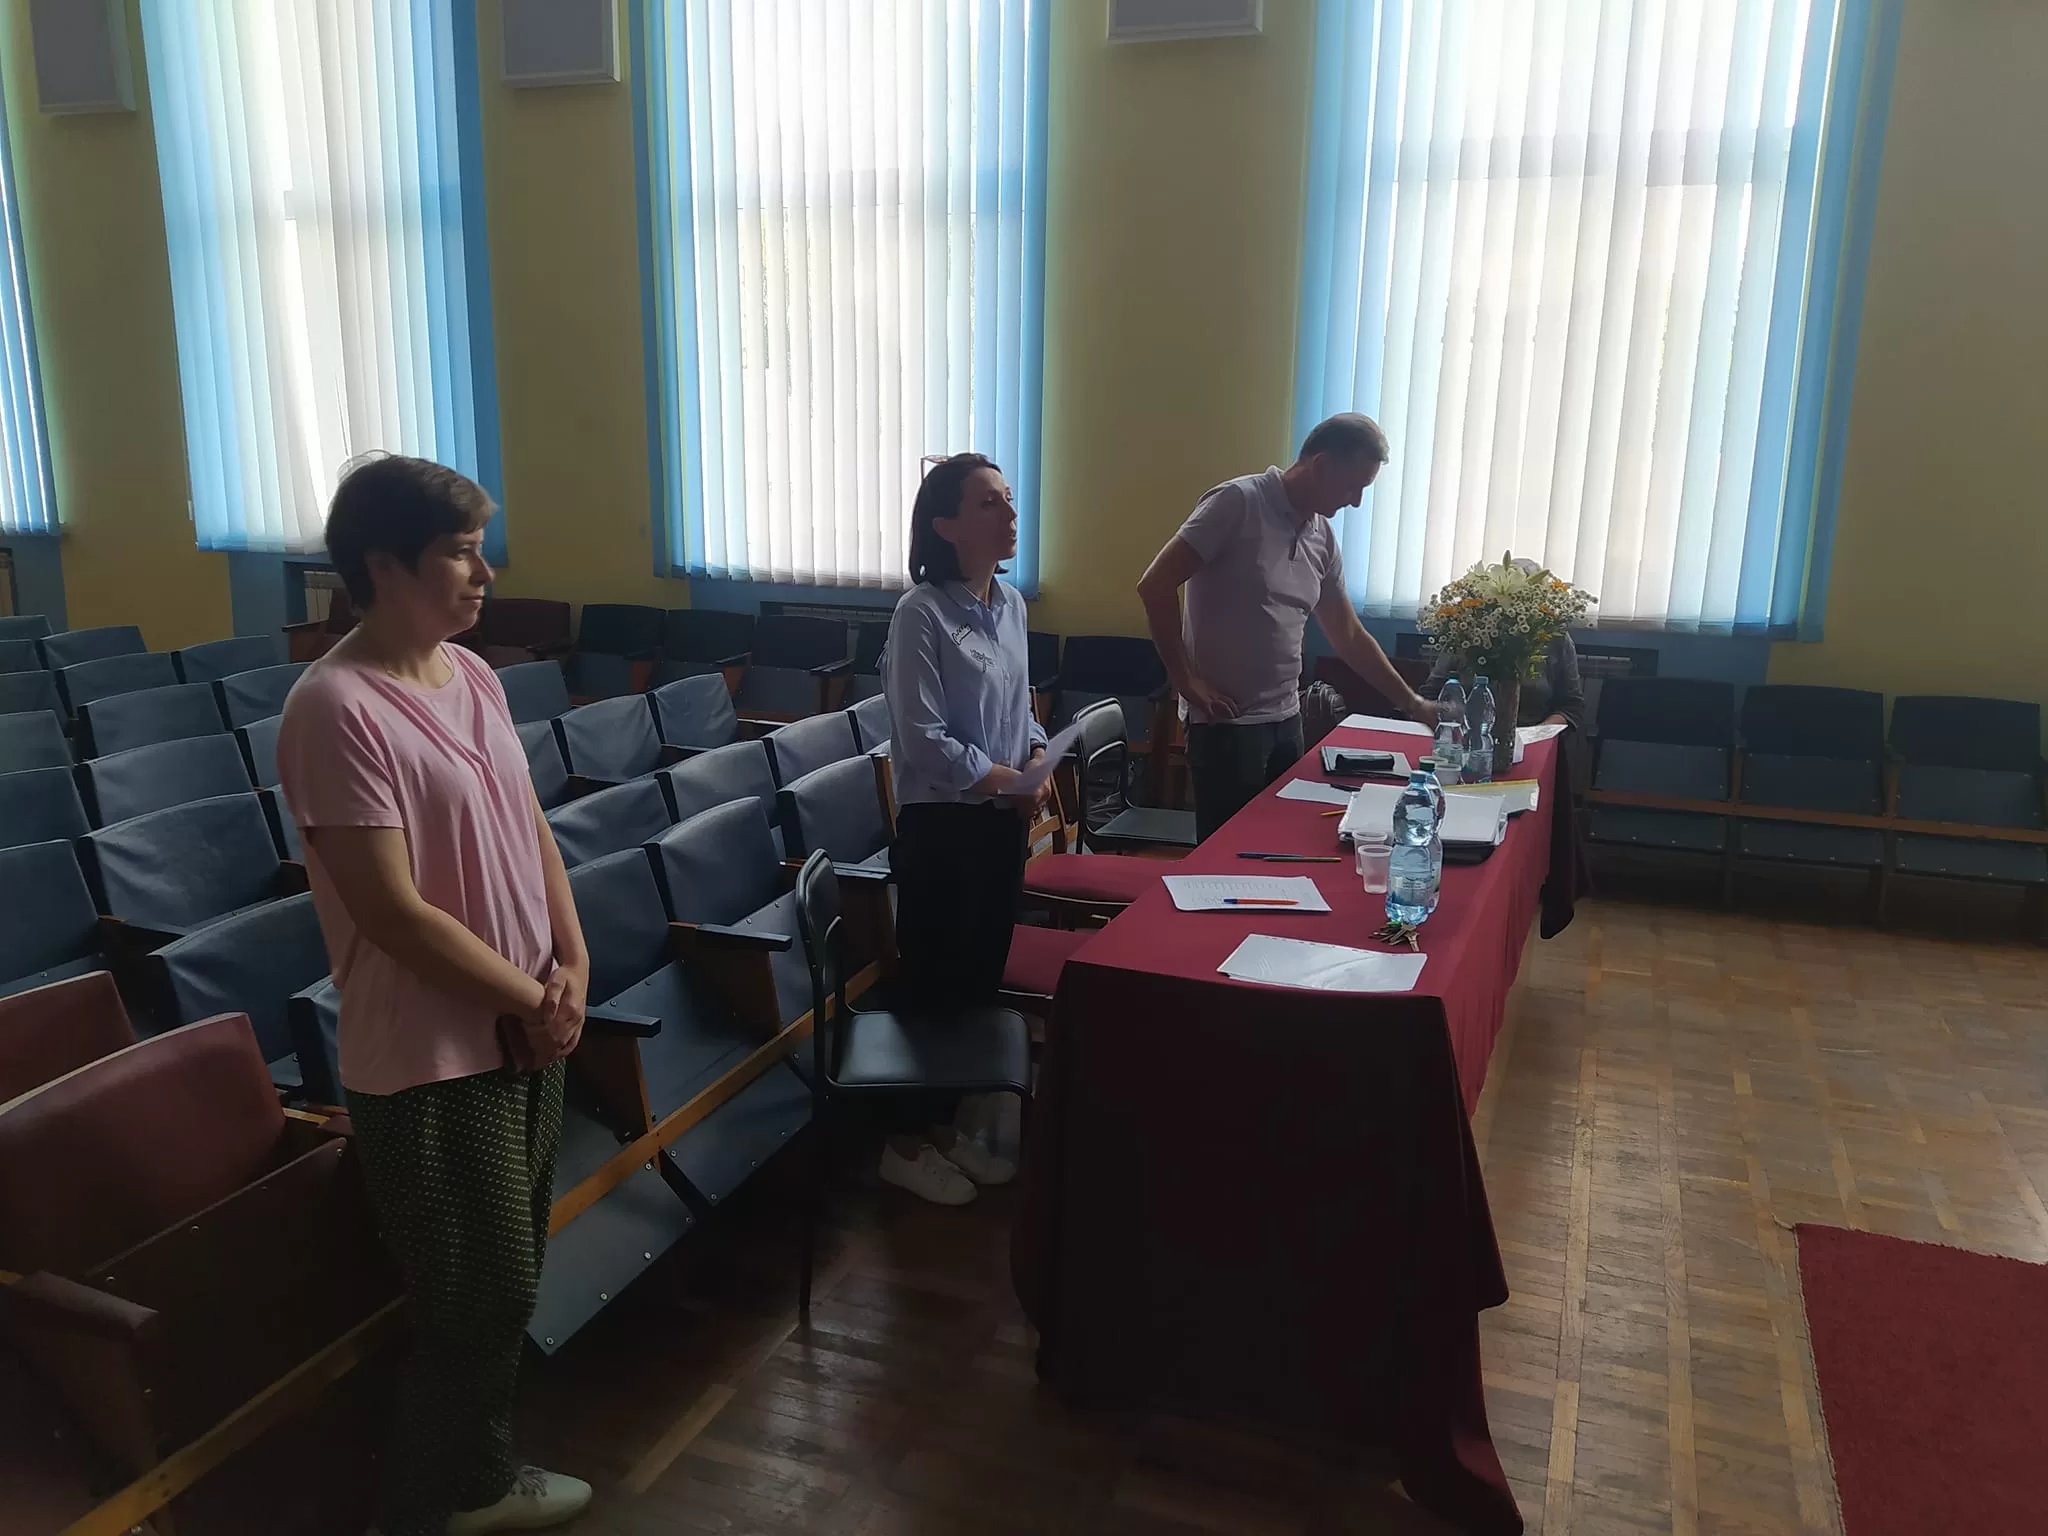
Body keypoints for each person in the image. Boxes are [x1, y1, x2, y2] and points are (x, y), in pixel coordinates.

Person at [276, 455, 592, 1536]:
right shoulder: (335, 707)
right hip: (429, 1058)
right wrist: (531, 999)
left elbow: (530, 829)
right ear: (383, 564)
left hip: (525, 1027)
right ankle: (421, 1509)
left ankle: (480, 1481)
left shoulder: (473, 675)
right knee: (477, 1295)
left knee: (509, 1280)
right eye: (460, 552)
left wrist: (572, 963)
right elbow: (393, 914)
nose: (484, 572)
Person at [1138, 413, 1438, 841]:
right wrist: (1186, 681)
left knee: (1280, 844)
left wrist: (1413, 704)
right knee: (1229, 856)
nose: (1356, 502)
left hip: (1286, 718)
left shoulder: (1322, 536)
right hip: (1228, 726)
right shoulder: (1237, 502)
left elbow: (1349, 635)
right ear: (1321, 465)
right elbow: (1155, 585)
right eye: (1352, 486)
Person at [880, 452, 1048, 1207]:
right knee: (934, 987)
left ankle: (943, 1127)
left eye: (1009, 499)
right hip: (943, 831)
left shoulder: (1010, 606)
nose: (1010, 514)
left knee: (978, 982)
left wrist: (1037, 753)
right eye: (989, 503)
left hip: (998, 827)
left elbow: (1020, 707)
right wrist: (1013, 782)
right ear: (945, 525)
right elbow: (924, 742)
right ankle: (902, 1144)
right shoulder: (921, 613)